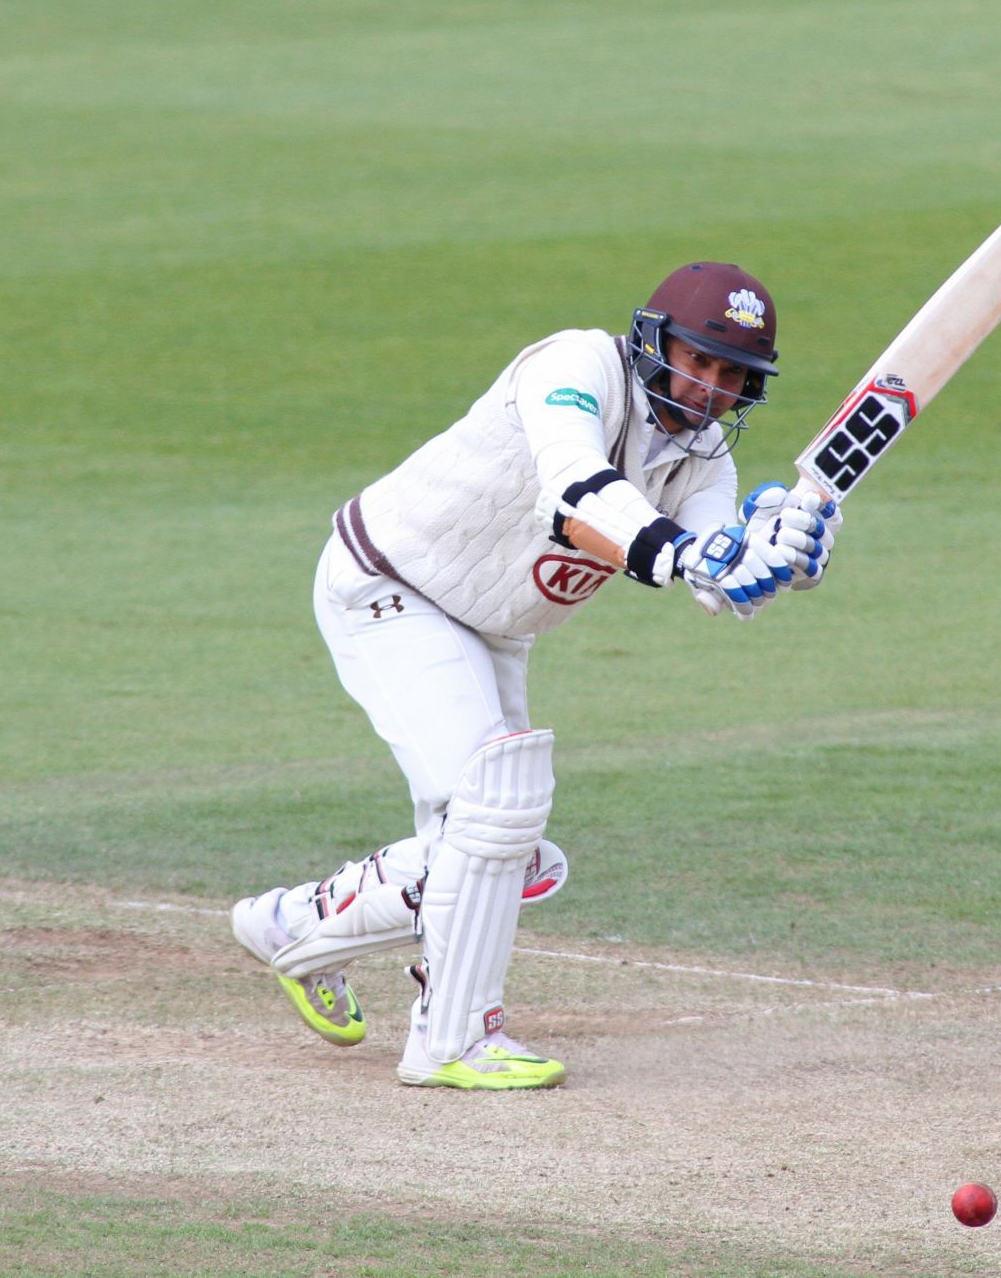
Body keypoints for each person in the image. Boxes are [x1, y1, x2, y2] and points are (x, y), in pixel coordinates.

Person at [230, 262, 842, 1088]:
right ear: (655, 342)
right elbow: (574, 494)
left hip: (493, 628)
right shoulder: (575, 366)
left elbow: (715, 575)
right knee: (497, 806)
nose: (710, 389)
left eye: (733, 376)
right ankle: (450, 1041)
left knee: (502, 851)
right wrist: (690, 552)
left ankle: (294, 925)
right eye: (699, 361)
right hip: (390, 582)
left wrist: (777, 552)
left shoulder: (703, 463)